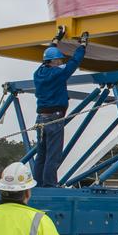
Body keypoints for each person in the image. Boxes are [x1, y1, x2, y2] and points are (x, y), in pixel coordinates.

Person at [32, 33, 88, 188]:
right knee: (53, 154)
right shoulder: (58, 73)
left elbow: (49, 55)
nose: (61, 62)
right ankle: (50, 184)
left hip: (41, 119)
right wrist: (82, 46)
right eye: (59, 60)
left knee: (41, 153)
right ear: (54, 61)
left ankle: (38, 184)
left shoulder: (38, 73)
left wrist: (55, 41)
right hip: (54, 118)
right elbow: (74, 63)